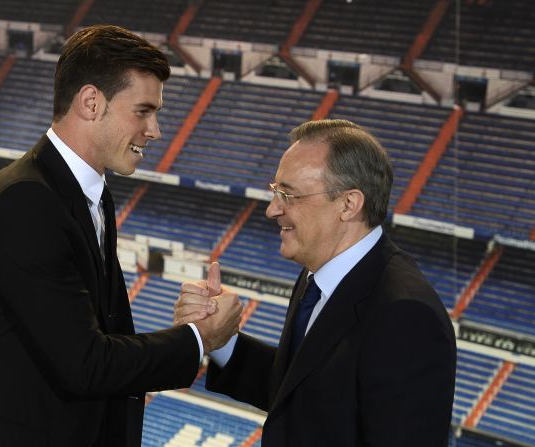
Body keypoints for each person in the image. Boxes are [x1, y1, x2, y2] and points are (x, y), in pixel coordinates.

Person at [0, 25, 242, 447]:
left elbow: (104, 338)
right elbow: (84, 363)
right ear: (91, 102)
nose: (155, 130)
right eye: (143, 111)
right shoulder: (27, 200)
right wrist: (198, 339)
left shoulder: (89, 193)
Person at [177, 119, 456, 446]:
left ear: (348, 204)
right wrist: (220, 339)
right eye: (275, 191)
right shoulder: (319, 272)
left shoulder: (406, 315)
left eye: (288, 195)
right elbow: (302, 391)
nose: (271, 210)